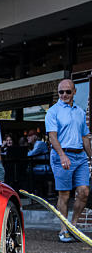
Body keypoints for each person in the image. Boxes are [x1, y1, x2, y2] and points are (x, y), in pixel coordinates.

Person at [45, 79, 92, 243]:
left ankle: (73, 226)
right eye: (61, 92)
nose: (64, 95)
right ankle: (63, 229)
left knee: (84, 192)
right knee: (64, 194)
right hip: (61, 156)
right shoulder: (53, 111)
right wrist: (62, 155)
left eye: (68, 92)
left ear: (74, 92)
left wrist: (90, 156)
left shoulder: (80, 111)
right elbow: (52, 136)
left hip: (80, 157)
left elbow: (85, 137)